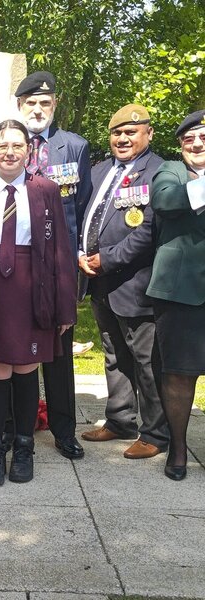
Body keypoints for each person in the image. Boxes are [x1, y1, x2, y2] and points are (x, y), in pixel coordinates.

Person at [0, 119, 76, 486]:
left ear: (29, 150)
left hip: (31, 289)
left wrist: (65, 306)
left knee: (25, 370)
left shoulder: (46, 191)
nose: (9, 152)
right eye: (2, 145)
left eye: (17, 146)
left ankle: (23, 449)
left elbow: (60, 253)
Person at [0, 71, 91, 461]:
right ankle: (6, 431)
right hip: (2, 266)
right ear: (20, 106)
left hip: (55, 264)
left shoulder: (73, 146)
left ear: (54, 104)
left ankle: (63, 429)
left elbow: (84, 205)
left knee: (55, 356)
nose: (37, 108)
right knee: (7, 357)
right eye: (30, 103)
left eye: (45, 102)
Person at [79, 104, 169, 458]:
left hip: (134, 282)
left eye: (131, 132)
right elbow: (85, 216)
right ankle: (119, 420)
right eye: (117, 132)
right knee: (114, 355)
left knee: (146, 359)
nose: (123, 138)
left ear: (148, 133)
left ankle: (156, 433)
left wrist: (108, 259)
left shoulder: (159, 172)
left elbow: (148, 230)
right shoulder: (100, 170)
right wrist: (80, 254)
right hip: (99, 281)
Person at [147, 109, 205, 480]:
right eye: (189, 140)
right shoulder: (170, 171)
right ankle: (179, 450)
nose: (197, 144)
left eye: (204, 138)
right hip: (181, 292)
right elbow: (166, 202)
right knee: (178, 374)